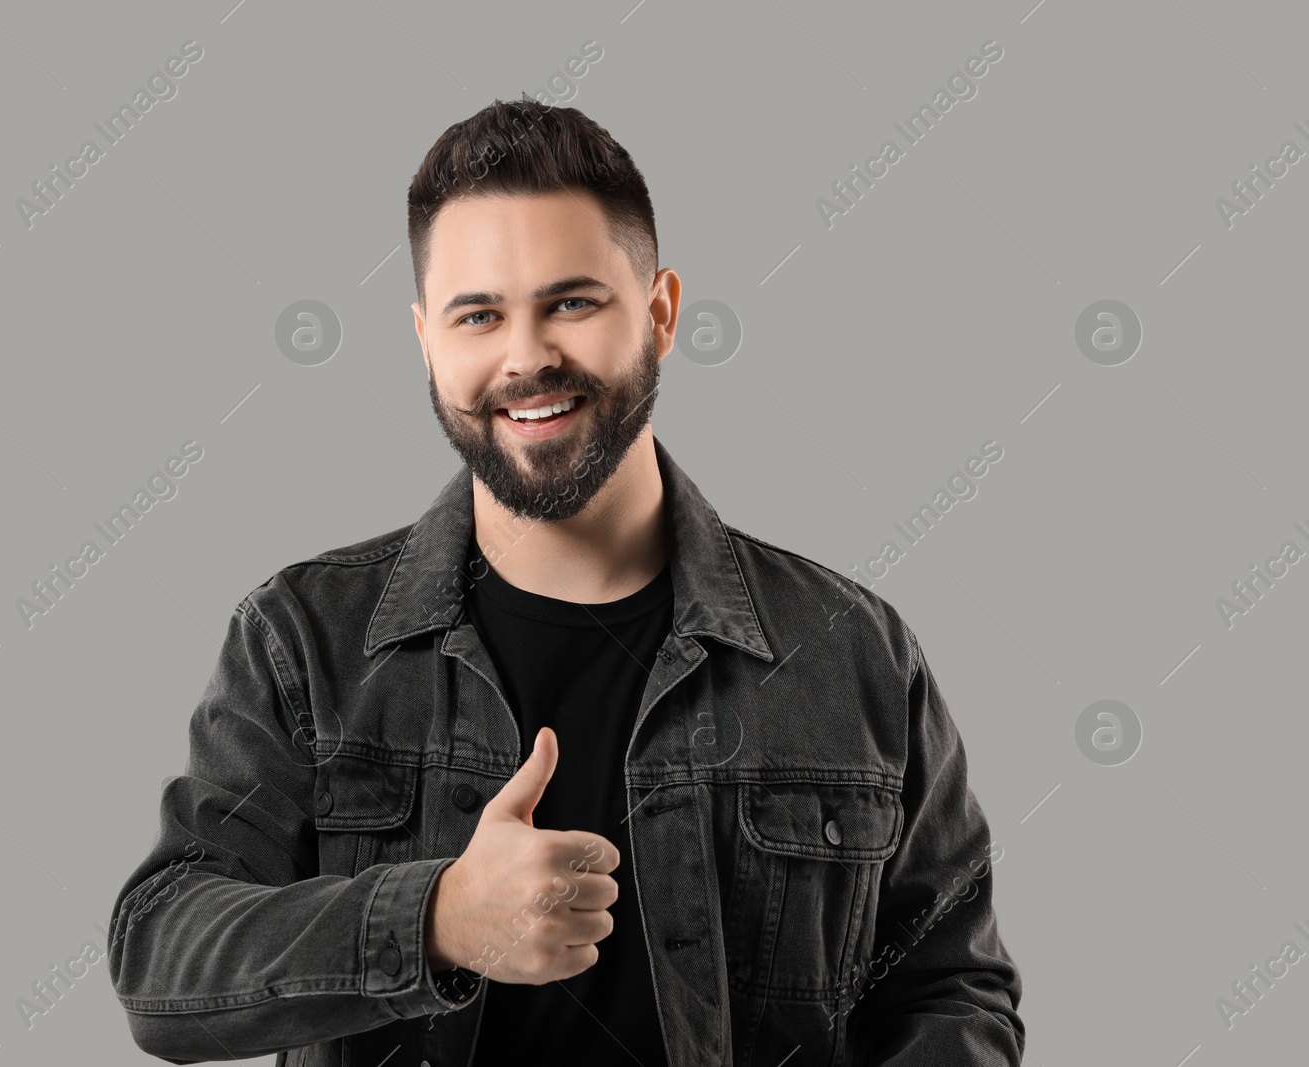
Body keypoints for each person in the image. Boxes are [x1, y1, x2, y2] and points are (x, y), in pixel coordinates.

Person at [107, 94, 1024, 1066]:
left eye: (571, 301)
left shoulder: (849, 646)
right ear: (427, 339)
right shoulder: (303, 637)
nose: (525, 355)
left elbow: (948, 985)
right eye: (478, 314)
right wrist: (437, 918)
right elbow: (162, 963)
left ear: (660, 312)